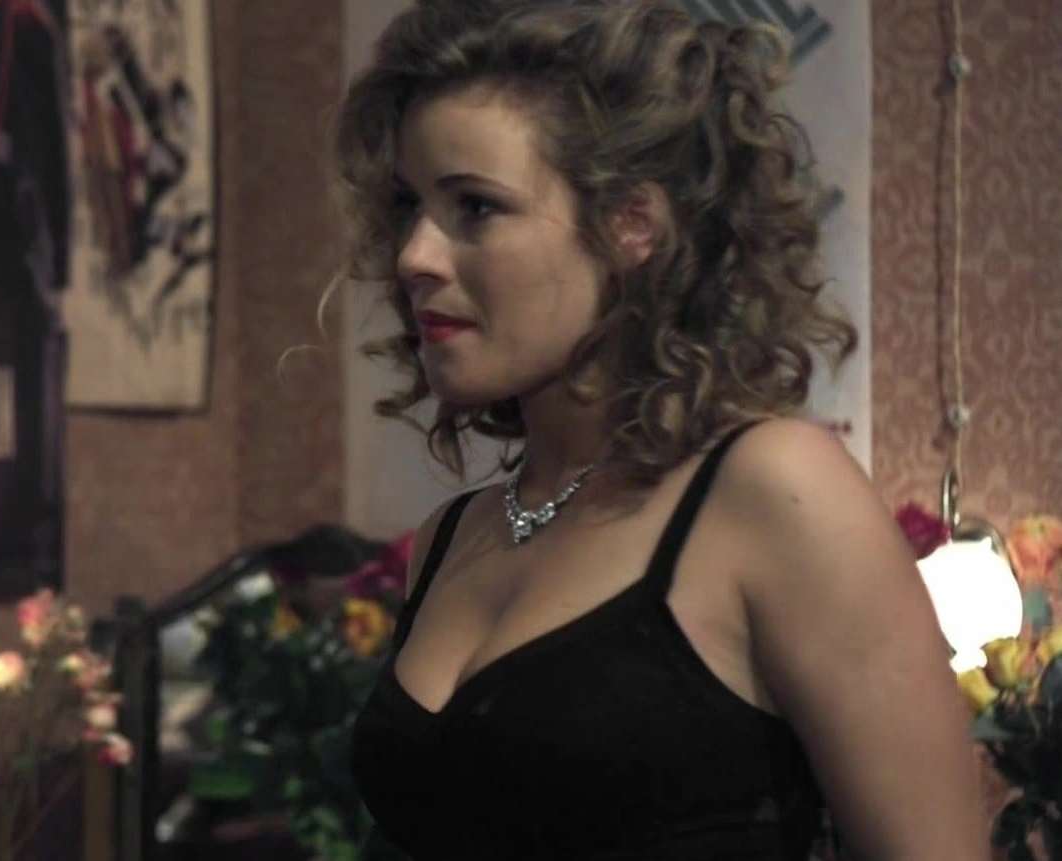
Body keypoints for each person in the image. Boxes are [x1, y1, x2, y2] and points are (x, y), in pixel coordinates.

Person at [338, 2, 987, 859]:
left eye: (476, 207)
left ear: (630, 224)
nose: (413, 256)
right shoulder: (453, 535)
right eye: (411, 207)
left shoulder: (773, 489)